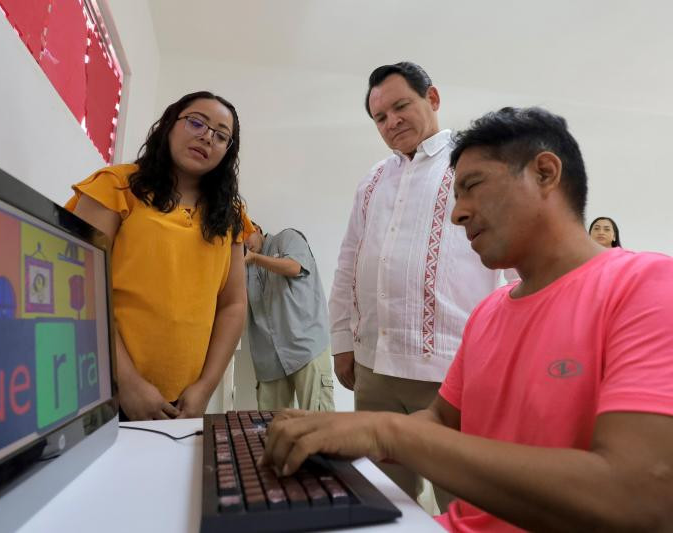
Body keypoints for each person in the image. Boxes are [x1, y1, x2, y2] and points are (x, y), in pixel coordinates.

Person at [261, 107, 673, 532]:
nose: (457, 214)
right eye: (456, 196)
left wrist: (387, 433)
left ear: (545, 173)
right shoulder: (489, 313)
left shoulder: (646, 286)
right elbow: (440, 420)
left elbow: (639, 496)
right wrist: (337, 431)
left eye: (473, 186)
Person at [328, 61, 513, 506]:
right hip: (375, 372)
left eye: (400, 107)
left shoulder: (472, 167)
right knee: (380, 500)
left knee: (465, 502)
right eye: (380, 117)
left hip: (452, 372)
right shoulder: (373, 180)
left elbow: (510, 265)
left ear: (432, 99)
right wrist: (341, 342)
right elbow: (349, 261)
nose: (391, 123)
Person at [65, 91, 252, 421]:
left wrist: (206, 387)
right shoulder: (117, 186)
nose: (207, 137)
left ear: (228, 151)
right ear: (169, 124)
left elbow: (233, 305)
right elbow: (76, 284)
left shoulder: (230, 216)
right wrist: (127, 383)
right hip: (98, 386)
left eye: (221, 136)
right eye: (196, 122)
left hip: (182, 403)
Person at [244, 222, 335, 412]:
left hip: (306, 347)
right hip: (268, 358)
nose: (244, 243)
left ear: (257, 229)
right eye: (238, 241)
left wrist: (254, 258)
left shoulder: (286, 238)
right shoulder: (241, 266)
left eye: (245, 235)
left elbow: (294, 267)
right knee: (270, 429)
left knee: (318, 424)